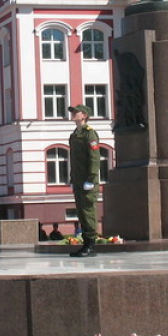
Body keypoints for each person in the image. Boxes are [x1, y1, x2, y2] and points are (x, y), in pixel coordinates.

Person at [67, 105, 103, 257]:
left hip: (87, 181)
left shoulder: (90, 134)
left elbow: (94, 159)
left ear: (84, 115)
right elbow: (74, 160)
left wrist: (91, 179)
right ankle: (85, 244)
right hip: (78, 180)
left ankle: (91, 245)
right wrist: (72, 178)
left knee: (88, 212)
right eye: (72, 112)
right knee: (81, 213)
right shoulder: (74, 135)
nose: (73, 114)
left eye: (76, 112)